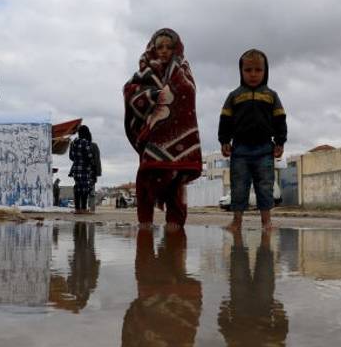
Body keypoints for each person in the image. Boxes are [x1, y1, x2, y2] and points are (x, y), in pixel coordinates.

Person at [122, 28, 202, 231]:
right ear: (152, 49)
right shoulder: (144, 72)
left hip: (178, 138)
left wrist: (166, 94)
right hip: (153, 136)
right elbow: (130, 92)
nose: (164, 51)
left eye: (169, 47)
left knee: (175, 178)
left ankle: (175, 221)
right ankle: (145, 220)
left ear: (176, 48)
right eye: (160, 47)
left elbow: (187, 92)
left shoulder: (183, 70)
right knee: (147, 175)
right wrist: (154, 95)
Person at [219, 49, 287, 231]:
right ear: (241, 71)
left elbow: (280, 120)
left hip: (265, 149)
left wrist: (280, 142)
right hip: (239, 150)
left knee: (265, 187)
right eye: (248, 70)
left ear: (265, 71)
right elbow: (225, 120)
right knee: (238, 187)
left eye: (258, 70)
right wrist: (224, 140)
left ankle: (267, 222)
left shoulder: (272, 96)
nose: (253, 74)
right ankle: (236, 222)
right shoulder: (234, 96)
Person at [69, 125, 97, 214]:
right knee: (85, 188)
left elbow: (71, 156)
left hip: (75, 168)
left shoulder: (73, 142)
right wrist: (92, 163)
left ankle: (77, 209)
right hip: (84, 168)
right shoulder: (85, 142)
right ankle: (84, 208)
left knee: (77, 188)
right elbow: (89, 156)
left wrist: (77, 160)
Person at [89, 141, 102, 213]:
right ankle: (92, 209)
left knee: (80, 191)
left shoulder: (76, 143)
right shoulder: (93, 145)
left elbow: (71, 157)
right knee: (92, 192)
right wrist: (98, 172)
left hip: (80, 170)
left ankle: (82, 208)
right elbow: (97, 159)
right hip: (92, 171)